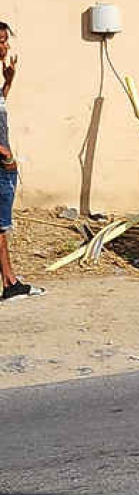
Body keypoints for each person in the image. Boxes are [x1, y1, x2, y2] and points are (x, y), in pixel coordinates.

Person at [0, 21, 43, 301]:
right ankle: (10, 282)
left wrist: (9, 81)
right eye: (1, 41)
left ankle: (10, 282)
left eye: (6, 41)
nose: (5, 46)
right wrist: (6, 156)